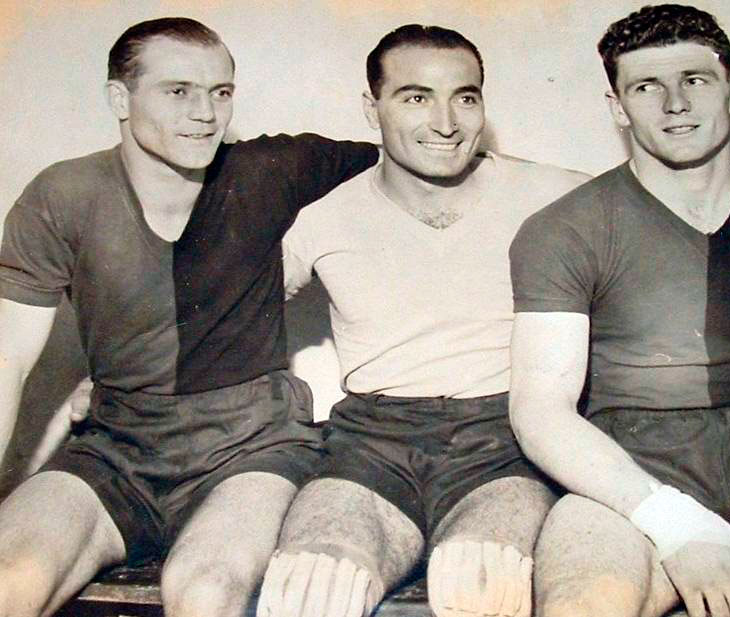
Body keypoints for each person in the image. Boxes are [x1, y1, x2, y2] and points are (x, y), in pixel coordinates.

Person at [0, 17, 377, 617]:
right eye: (178, 91)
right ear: (119, 98)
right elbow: (6, 361)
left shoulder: (272, 168)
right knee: (9, 580)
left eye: (220, 92)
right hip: (115, 450)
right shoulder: (63, 193)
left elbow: (421, 156)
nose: (205, 113)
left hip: (249, 448)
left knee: (204, 592)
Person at [508, 5, 730, 617]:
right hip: (631, 472)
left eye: (695, 80)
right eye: (646, 87)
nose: (675, 103)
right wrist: (675, 523)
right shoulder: (562, 230)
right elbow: (539, 411)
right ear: (617, 108)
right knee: (584, 601)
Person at [255, 24, 588, 617]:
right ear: (372, 108)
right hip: (371, 442)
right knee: (311, 587)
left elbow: (666, 239)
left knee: (480, 584)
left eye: (465, 97)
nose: (446, 123)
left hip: (504, 439)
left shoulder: (554, 196)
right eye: (416, 97)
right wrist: (113, 376)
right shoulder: (324, 218)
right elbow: (227, 320)